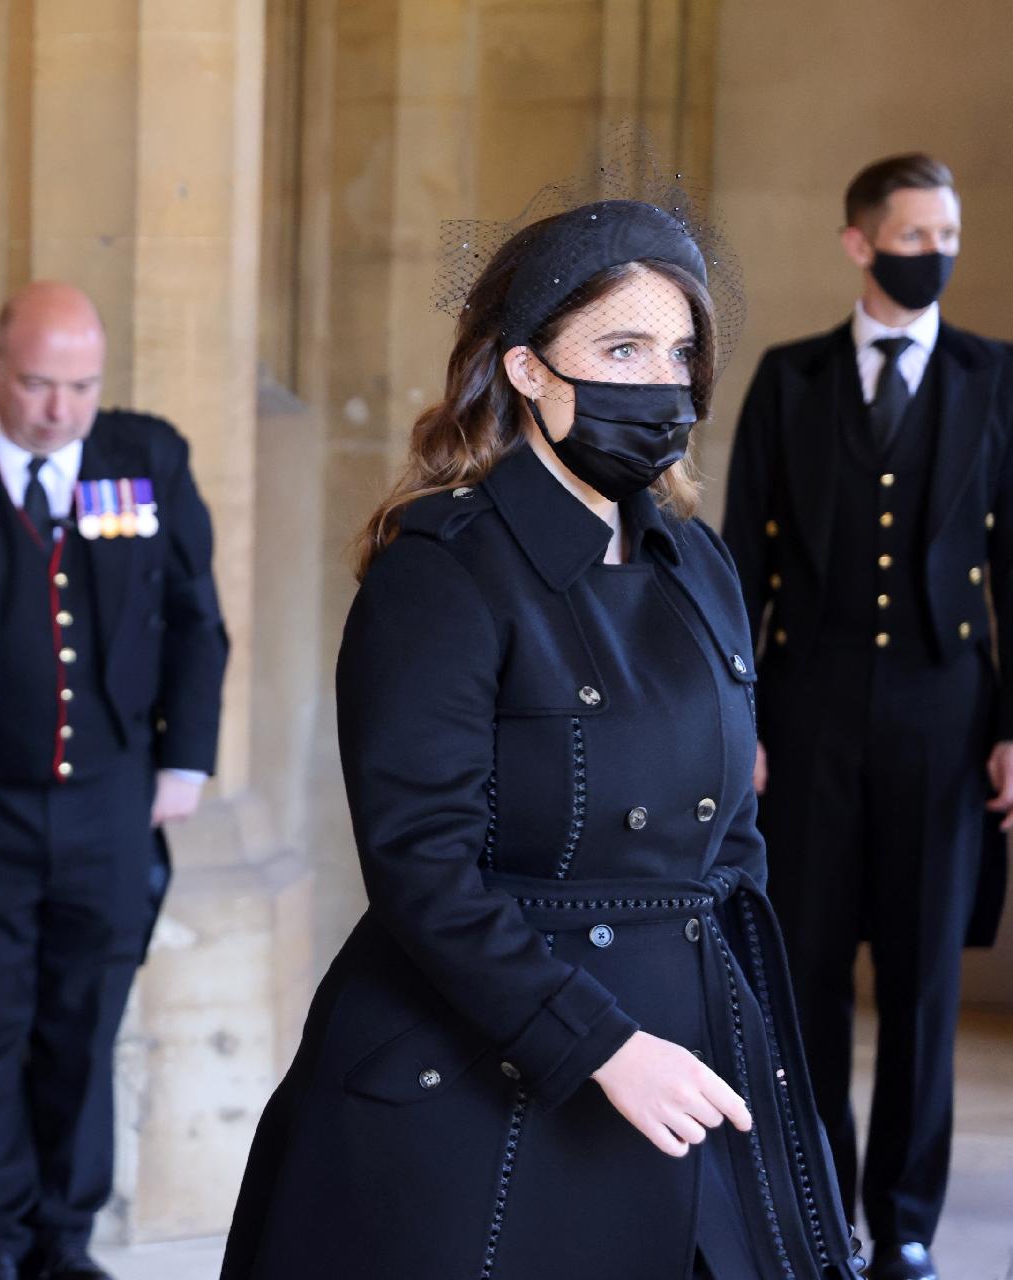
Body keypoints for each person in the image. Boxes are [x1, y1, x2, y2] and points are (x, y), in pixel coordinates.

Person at [221, 190, 864, 1279]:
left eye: (678, 353)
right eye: (622, 345)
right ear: (527, 367)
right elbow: (422, 867)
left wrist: (734, 1038)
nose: (660, 382)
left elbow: (734, 840)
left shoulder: (696, 562)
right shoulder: (441, 569)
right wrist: (602, 1043)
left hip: (690, 1054)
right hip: (495, 1064)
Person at [0, 281, 229, 1280]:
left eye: (81, 386)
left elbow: (194, 618)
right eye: (40, 383)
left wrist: (185, 759)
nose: (59, 409)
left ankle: (64, 1239)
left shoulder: (146, 459)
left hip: (110, 804)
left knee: (85, 1023)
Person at [722, 152, 1012, 1280]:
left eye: (947, 233)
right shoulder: (790, 381)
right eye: (913, 233)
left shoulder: (996, 378)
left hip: (948, 714)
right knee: (805, 975)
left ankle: (905, 1222)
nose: (934, 252)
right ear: (859, 242)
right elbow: (741, 560)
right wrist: (732, 718)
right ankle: (814, 1208)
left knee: (924, 978)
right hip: (807, 714)